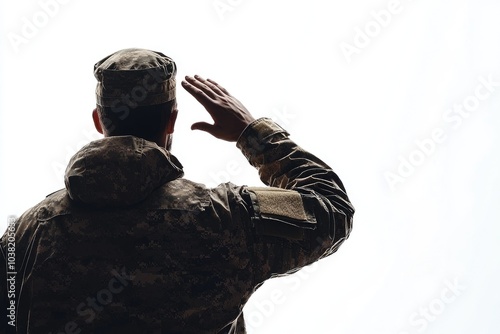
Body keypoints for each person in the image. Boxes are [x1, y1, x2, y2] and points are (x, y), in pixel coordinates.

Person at [0, 48, 354, 333]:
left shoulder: (26, 234)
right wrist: (250, 132)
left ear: (98, 119)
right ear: (172, 119)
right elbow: (331, 208)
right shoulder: (224, 216)